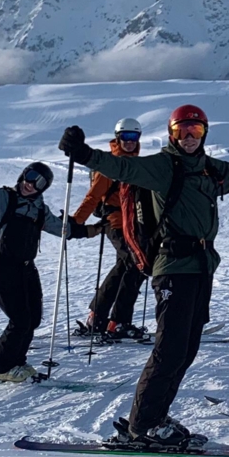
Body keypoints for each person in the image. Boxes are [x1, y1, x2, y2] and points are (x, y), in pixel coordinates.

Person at [61, 105, 229, 449]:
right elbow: (122, 167)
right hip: (172, 267)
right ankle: (143, 425)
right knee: (169, 348)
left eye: (195, 131)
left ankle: (156, 417)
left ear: (204, 134)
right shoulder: (162, 166)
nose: (188, 137)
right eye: (181, 130)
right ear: (171, 134)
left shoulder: (210, 169)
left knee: (186, 349)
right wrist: (82, 153)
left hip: (201, 267)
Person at [0, 125, 98, 382]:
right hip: (2, 269)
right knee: (19, 320)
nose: (31, 184)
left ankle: (17, 360)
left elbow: (63, 229)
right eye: (30, 176)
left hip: (26, 268)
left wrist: (93, 230)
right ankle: (0, 367)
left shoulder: (39, 210)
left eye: (39, 182)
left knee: (33, 319)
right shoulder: (3, 199)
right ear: (23, 175)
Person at [71, 117, 152, 342]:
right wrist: (76, 222)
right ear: (118, 137)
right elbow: (93, 197)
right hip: (115, 222)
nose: (129, 141)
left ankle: (97, 318)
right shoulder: (109, 165)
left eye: (134, 136)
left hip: (133, 225)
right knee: (136, 265)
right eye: (125, 136)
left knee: (124, 267)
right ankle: (118, 322)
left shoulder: (137, 164)